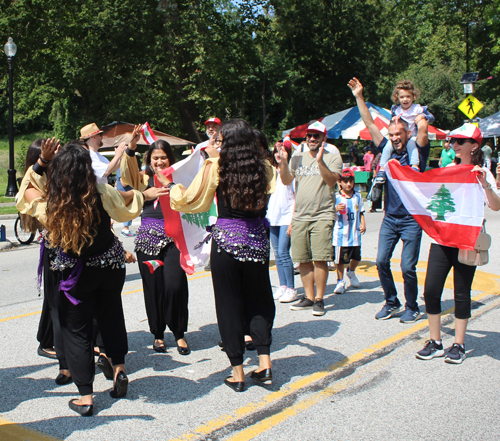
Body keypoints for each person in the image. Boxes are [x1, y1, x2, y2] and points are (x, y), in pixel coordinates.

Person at [16, 141, 165, 416]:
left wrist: (41, 164)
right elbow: (125, 209)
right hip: (108, 267)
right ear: (86, 168)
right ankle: (119, 368)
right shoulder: (100, 190)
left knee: (77, 330)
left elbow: (25, 194)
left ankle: (86, 397)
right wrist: (144, 195)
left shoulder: (54, 203)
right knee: (111, 315)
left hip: (76, 274)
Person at [167, 119, 276, 392]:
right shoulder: (264, 168)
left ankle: (237, 373)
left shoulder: (216, 166)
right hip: (257, 242)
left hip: (227, 242)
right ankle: (264, 364)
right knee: (260, 300)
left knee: (228, 304)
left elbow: (193, 201)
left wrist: (173, 188)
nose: (217, 143)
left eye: (221, 139)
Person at [416, 124, 500, 363]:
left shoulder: (482, 172)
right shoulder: (447, 169)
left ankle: (459, 344)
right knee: (431, 291)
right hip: (442, 238)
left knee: (462, 294)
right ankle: (435, 341)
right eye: (453, 141)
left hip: (467, 241)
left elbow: (495, 205)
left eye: (460, 142)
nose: (454, 145)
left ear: (474, 146)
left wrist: (484, 184)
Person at [348, 77, 430, 323]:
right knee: (382, 261)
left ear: (407, 133)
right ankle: (391, 301)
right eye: (392, 134)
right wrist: (359, 96)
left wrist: (421, 120)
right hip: (390, 217)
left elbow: (423, 132)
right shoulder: (386, 149)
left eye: (399, 134)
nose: (394, 138)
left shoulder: (418, 151)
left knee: (407, 267)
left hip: (412, 220)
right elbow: (369, 122)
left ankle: (412, 306)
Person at [121, 129, 191, 355]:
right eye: (155, 158)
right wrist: (131, 148)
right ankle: (158, 334)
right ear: (149, 160)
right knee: (154, 288)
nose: (159, 161)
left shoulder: (179, 179)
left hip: (174, 240)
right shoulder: (141, 179)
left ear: (170, 158)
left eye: (163, 157)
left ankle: (179, 333)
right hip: (147, 241)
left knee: (175, 285)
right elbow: (126, 177)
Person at [277, 120, 342, 317]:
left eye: (316, 136)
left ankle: (320, 299)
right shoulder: (298, 156)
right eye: (309, 136)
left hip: (322, 214)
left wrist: (320, 161)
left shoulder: (333, 156)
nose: (312, 139)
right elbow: (287, 180)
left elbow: (332, 181)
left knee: (320, 258)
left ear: (324, 138)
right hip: (300, 216)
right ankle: (309, 297)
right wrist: (283, 163)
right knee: (302, 259)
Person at [379, 79, 434, 171]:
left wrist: (422, 116)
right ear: (398, 98)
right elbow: (392, 123)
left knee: (411, 145)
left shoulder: (417, 108)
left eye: (408, 96)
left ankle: (415, 165)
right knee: (388, 145)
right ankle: (382, 167)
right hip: (401, 136)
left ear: (414, 97)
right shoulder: (396, 109)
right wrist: (393, 119)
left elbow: (431, 117)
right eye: (402, 97)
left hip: (412, 135)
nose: (405, 99)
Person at [268, 141, 297, 303]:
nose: (278, 154)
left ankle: (292, 288)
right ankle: (283, 286)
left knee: (284, 253)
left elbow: (296, 197)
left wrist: (293, 220)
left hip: (286, 217)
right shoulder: (272, 171)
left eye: (282, 151)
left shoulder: (290, 171)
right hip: (272, 217)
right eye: (276, 151)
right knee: (277, 253)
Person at [332, 168, 366, 294]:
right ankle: (340, 281)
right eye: (345, 181)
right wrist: (335, 209)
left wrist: (363, 223)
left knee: (357, 257)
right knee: (340, 260)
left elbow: (361, 211)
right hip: (341, 235)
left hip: (355, 234)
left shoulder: (358, 196)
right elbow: (329, 212)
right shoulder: (336, 197)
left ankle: (351, 271)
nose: (348, 184)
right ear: (340, 182)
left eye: (350, 181)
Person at [116, 167, 136, 237]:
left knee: (129, 210)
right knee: (128, 211)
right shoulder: (122, 169)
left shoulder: (126, 168)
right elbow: (124, 183)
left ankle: (126, 229)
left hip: (128, 193)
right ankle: (125, 230)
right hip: (125, 194)